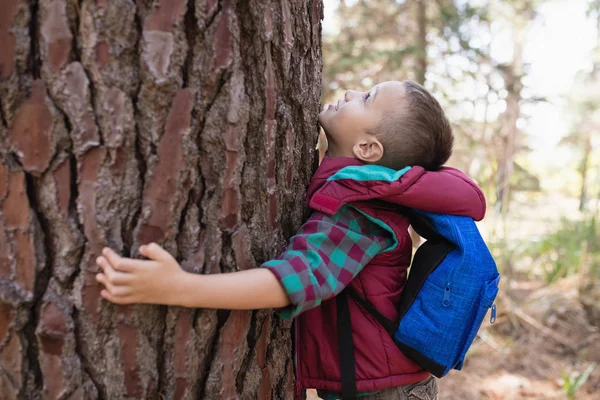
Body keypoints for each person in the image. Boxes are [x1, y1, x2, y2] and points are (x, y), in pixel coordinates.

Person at [95, 81, 486, 400]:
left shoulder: (359, 217)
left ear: (368, 149)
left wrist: (181, 287)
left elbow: (291, 282)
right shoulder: (351, 194)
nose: (350, 93)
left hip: (389, 392)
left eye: (367, 98)